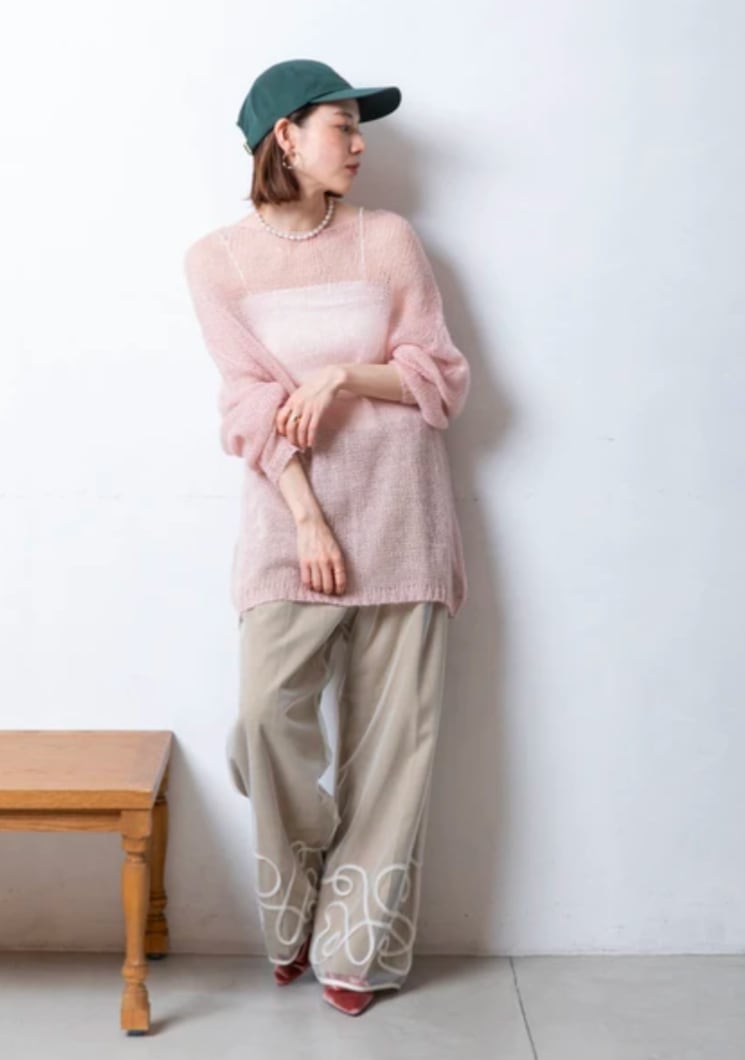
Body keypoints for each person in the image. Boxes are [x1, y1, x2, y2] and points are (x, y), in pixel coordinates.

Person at [183, 58, 470, 1017]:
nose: (358, 145)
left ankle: (354, 947)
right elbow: (246, 405)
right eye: (342, 127)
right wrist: (306, 516)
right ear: (285, 137)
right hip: (291, 520)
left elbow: (437, 374)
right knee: (267, 716)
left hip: (403, 512)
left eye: (359, 129)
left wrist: (343, 375)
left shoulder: (387, 239)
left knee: (394, 747)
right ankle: (301, 895)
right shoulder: (218, 261)